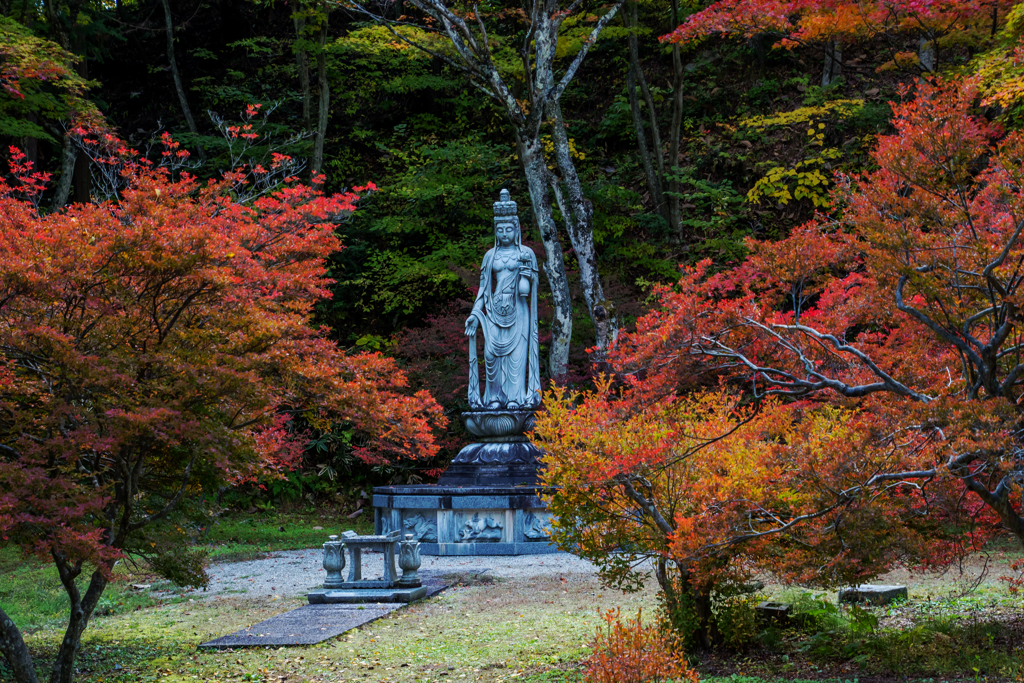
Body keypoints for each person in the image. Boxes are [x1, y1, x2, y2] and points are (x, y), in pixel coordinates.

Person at [464, 189, 541, 410]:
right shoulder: (490, 256)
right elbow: (483, 288)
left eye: (509, 229)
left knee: (516, 358)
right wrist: (475, 315)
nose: (505, 233)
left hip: (518, 310)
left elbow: (533, 285)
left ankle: (515, 399)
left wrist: (528, 275)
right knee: (491, 356)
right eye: (500, 230)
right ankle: (494, 398)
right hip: (494, 309)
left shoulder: (525, 253)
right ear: (495, 232)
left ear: (516, 229)